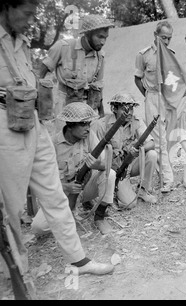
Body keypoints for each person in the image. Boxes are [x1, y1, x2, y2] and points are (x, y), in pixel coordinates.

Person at [0, 0, 114, 282]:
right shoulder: (62, 47)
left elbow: (96, 91)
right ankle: (16, 269)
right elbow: (42, 73)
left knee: (54, 194)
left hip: (40, 122)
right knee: (11, 203)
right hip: (15, 122)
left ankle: (79, 258)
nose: (31, 21)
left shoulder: (22, 41)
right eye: (26, 14)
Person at [31, 103, 116, 235]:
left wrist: (96, 165)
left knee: (110, 174)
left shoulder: (89, 136)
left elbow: (106, 164)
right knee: (39, 228)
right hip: (61, 194)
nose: (88, 128)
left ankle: (99, 217)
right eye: (83, 124)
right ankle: (66, 215)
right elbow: (42, 179)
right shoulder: (52, 144)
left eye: (89, 124)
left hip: (85, 188)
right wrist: (65, 187)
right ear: (70, 125)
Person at [39, 14, 114, 134]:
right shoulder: (63, 47)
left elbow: (99, 87)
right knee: (63, 139)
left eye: (105, 37)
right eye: (99, 37)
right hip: (65, 102)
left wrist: (101, 114)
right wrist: (39, 105)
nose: (103, 41)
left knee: (88, 143)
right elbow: (41, 73)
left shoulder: (100, 56)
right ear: (88, 34)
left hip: (88, 105)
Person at [90, 93, 158, 208]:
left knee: (152, 154)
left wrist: (138, 149)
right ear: (114, 109)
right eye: (124, 108)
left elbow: (151, 143)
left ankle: (143, 190)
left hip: (127, 167)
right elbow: (92, 152)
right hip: (108, 169)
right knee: (128, 204)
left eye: (131, 108)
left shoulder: (136, 121)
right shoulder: (101, 125)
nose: (129, 112)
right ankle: (108, 191)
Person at [134, 21, 175, 193]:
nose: (166, 42)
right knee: (158, 141)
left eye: (169, 38)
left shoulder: (170, 55)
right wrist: (148, 96)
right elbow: (137, 78)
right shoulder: (144, 55)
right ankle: (167, 179)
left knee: (165, 139)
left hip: (167, 98)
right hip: (151, 96)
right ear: (155, 35)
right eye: (163, 38)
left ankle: (162, 176)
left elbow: (174, 79)